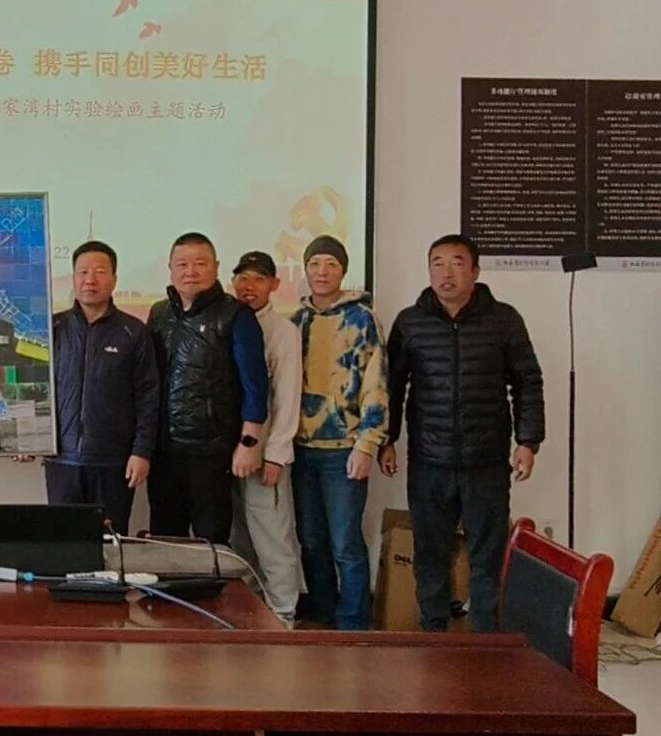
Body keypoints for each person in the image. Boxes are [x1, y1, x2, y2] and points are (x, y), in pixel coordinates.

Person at [380, 234, 544, 633]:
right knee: (430, 555)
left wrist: (528, 442)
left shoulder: (504, 320)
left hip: (485, 462)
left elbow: (527, 381)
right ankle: (434, 634)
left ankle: (483, 642)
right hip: (429, 461)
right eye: (437, 263)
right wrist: (388, 439)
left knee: (487, 557)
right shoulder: (410, 322)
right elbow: (392, 387)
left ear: (475, 272)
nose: (446, 272)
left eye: (456, 262)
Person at [290, 235, 388, 630]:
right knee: (311, 540)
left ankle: (353, 622)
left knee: (345, 543)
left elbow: (376, 386)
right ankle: (322, 612)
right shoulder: (296, 322)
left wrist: (368, 445)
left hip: (344, 449)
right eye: (314, 264)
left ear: (343, 271)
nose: (322, 272)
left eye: (330, 264)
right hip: (301, 449)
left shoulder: (362, 319)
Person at [147, 232, 268, 543]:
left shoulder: (235, 315)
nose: (191, 272)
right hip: (164, 452)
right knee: (165, 541)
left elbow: (255, 385)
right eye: (182, 264)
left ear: (216, 267)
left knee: (211, 543)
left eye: (200, 263)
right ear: (170, 269)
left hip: (212, 452)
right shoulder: (159, 314)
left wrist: (249, 443)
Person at [46, 240, 159, 535]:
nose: (90, 280)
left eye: (99, 272)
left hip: (114, 462)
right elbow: (35, 388)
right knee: (64, 545)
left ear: (114, 279)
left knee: (110, 545)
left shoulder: (133, 332)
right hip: (62, 460)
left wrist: (142, 451)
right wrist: (30, 438)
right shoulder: (52, 329)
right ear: (73, 278)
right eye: (82, 272)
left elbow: (148, 397)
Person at [228, 251, 304, 625]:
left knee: (273, 539)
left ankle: (284, 616)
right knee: (239, 541)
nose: (249, 286)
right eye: (243, 278)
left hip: (265, 455)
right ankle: (252, 616)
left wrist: (276, 454)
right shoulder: (228, 321)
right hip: (229, 453)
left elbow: (287, 397)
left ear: (274, 285)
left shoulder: (283, 331)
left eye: (259, 279)